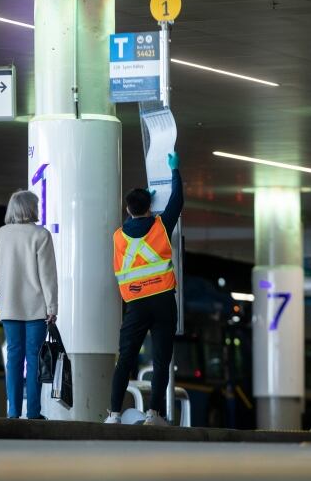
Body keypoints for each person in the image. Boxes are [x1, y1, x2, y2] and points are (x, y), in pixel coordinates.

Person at [105, 152, 183, 426]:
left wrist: (141, 206)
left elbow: (133, 227)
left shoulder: (118, 237)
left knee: (125, 359)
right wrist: (175, 171)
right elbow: (177, 201)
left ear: (128, 209)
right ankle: (154, 414)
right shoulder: (161, 227)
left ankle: (114, 415)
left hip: (135, 304)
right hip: (162, 301)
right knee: (161, 360)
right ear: (150, 206)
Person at [0, 191, 58, 419]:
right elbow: (47, 275)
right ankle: (34, 412)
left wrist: (5, 291)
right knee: (34, 359)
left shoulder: (0, 235)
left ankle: (13, 412)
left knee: (14, 359)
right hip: (36, 309)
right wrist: (52, 306)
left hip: (10, 308)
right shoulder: (41, 235)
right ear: (31, 208)